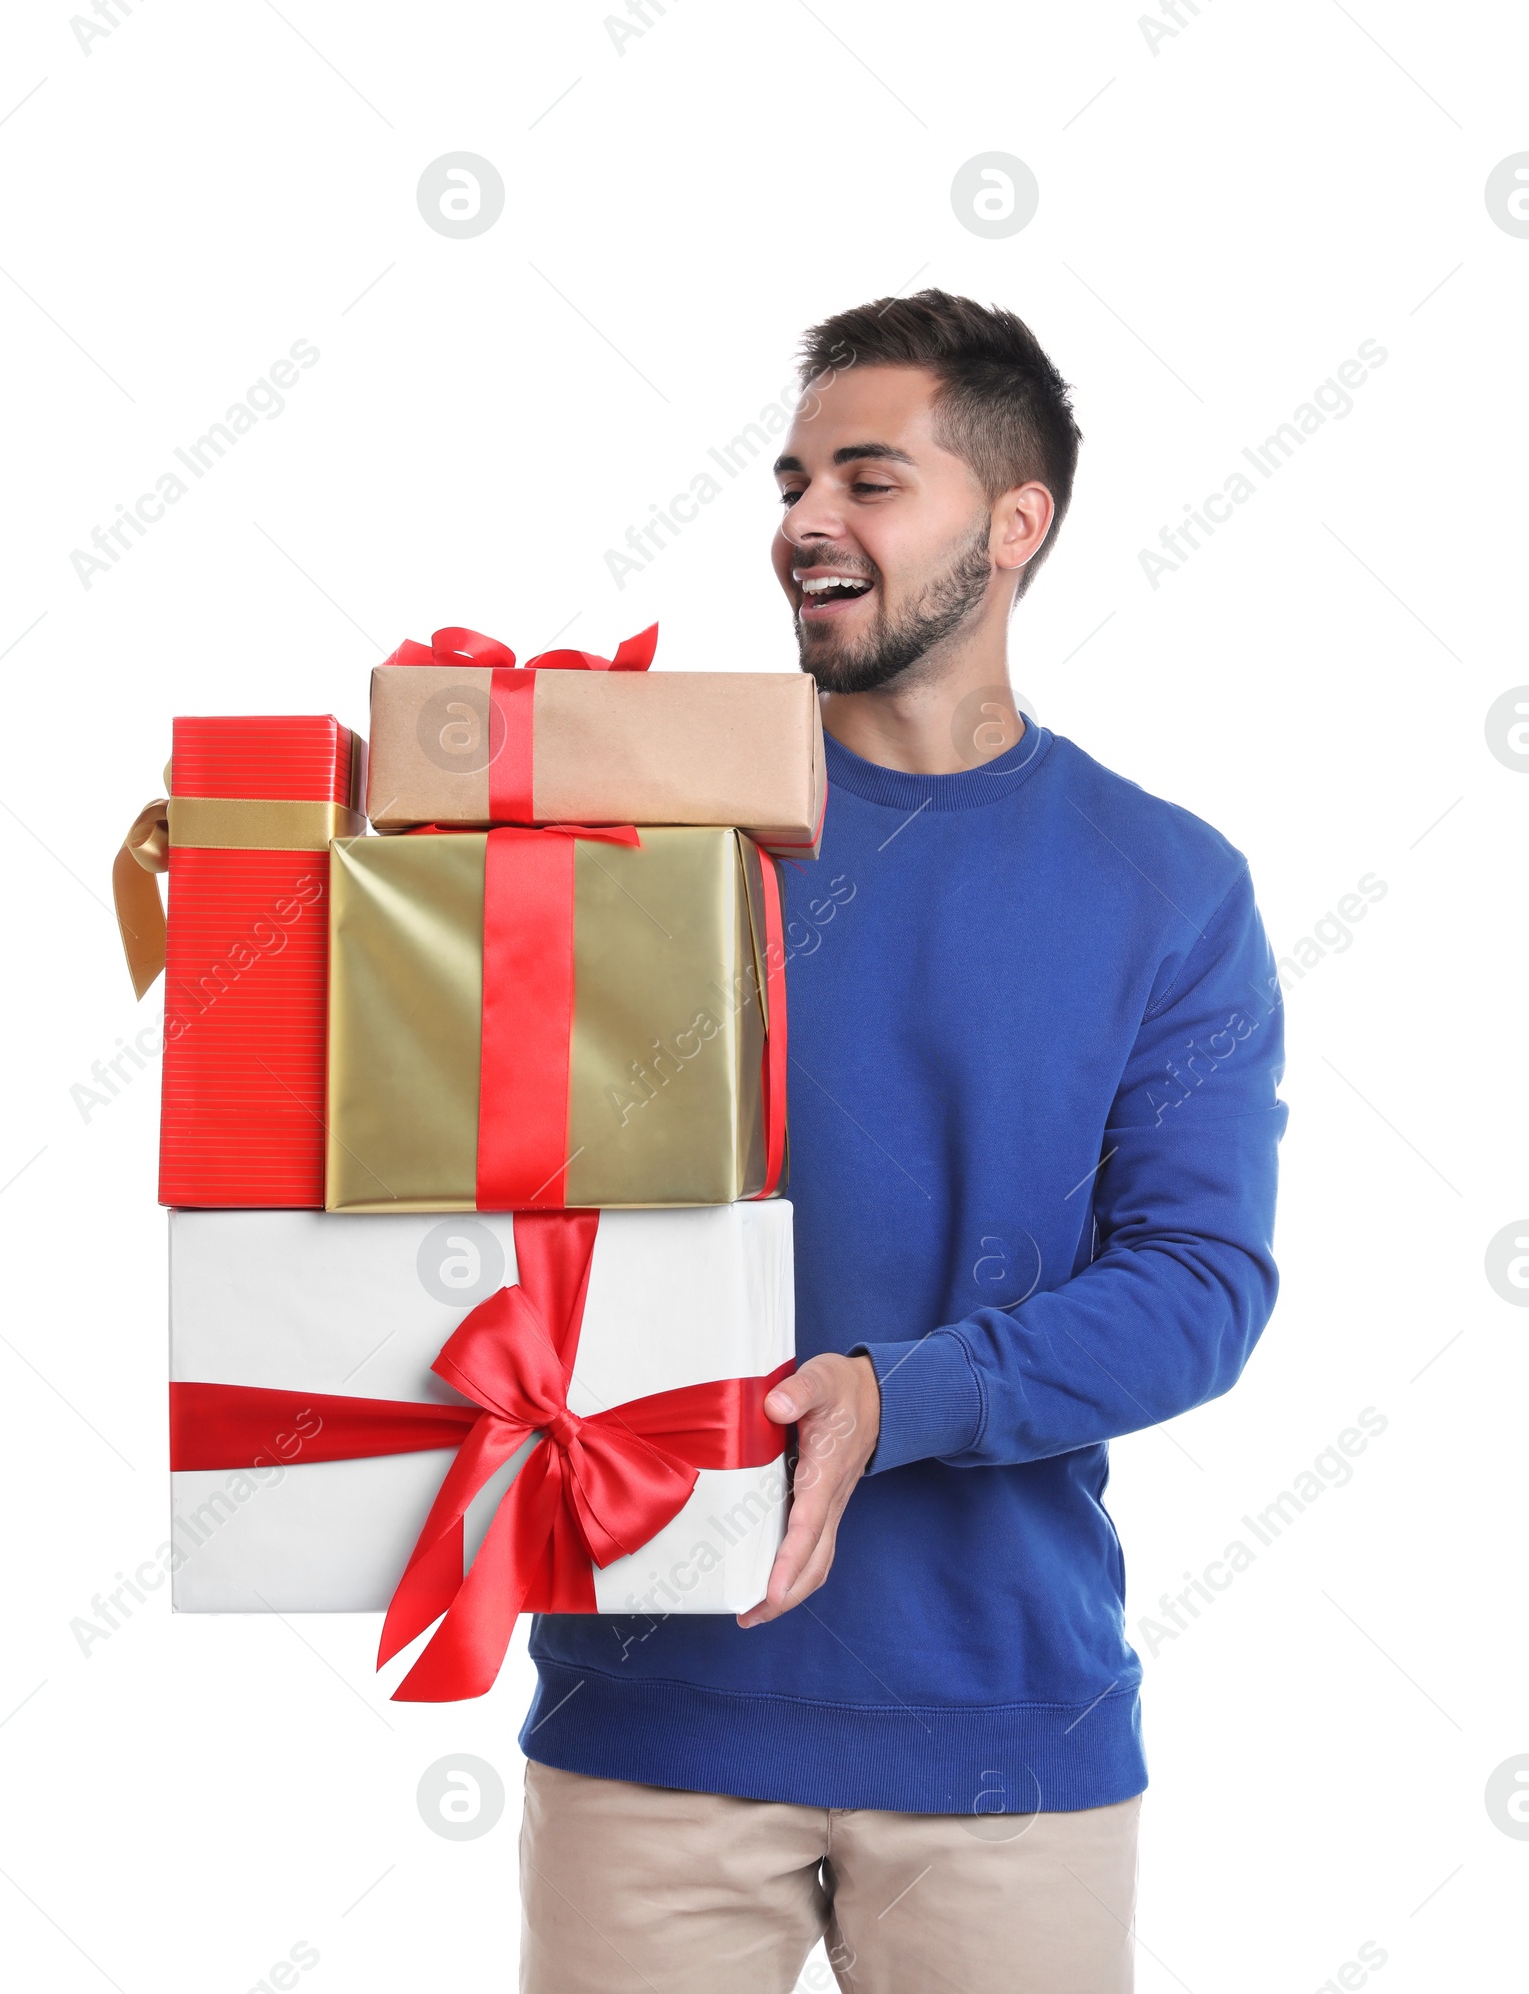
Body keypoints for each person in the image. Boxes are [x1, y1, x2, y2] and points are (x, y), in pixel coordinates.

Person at [518, 289, 1286, 1993]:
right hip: (650, 1719)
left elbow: (1201, 1284)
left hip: (1007, 1741)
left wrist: (896, 1389)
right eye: (794, 478)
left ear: (1017, 524)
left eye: (871, 479)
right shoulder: (644, 831)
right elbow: (467, 1145)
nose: (805, 521)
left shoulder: (1165, 884)